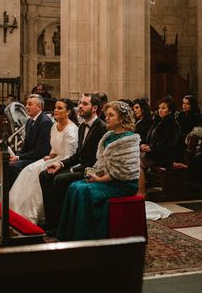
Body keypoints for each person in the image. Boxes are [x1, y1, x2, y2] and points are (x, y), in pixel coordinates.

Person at [56, 100, 140, 241]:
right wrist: (95, 174)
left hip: (123, 184)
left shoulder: (128, 139)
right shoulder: (109, 135)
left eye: (111, 115)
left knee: (84, 191)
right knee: (74, 187)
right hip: (108, 179)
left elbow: (120, 173)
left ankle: (86, 238)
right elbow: (102, 163)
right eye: (106, 115)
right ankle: (69, 235)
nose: (106, 118)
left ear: (121, 119)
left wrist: (99, 179)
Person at [39, 93, 106, 233]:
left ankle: (61, 225)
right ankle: (51, 221)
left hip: (92, 169)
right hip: (80, 165)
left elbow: (95, 160)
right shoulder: (82, 126)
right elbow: (78, 155)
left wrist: (71, 170)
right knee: (44, 175)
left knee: (59, 179)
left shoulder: (101, 128)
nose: (80, 106)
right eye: (80, 103)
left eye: (84, 104)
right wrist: (60, 164)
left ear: (94, 108)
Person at [9, 98, 78, 224]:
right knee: (28, 170)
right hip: (54, 157)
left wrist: (55, 161)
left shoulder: (71, 129)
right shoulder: (54, 126)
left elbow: (70, 154)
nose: (56, 110)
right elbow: (54, 147)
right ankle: (17, 210)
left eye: (60, 108)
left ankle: (33, 214)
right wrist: (50, 155)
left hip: (64, 161)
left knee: (38, 172)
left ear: (68, 112)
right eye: (55, 107)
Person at [138, 96, 181, 196]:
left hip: (164, 157)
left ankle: (141, 191)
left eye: (163, 108)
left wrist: (151, 148)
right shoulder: (158, 122)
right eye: (159, 108)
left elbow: (169, 144)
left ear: (170, 111)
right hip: (154, 154)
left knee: (136, 163)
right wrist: (146, 145)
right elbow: (152, 138)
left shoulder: (172, 124)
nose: (160, 110)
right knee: (132, 159)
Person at [8, 94, 53, 185]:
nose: (26, 106)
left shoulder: (45, 122)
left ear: (39, 106)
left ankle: (18, 191)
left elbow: (41, 151)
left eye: (30, 104)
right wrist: (17, 156)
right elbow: (26, 145)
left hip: (40, 158)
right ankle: (8, 194)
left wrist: (19, 157)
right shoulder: (29, 121)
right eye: (26, 104)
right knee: (9, 162)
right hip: (31, 156)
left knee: (15, 166)